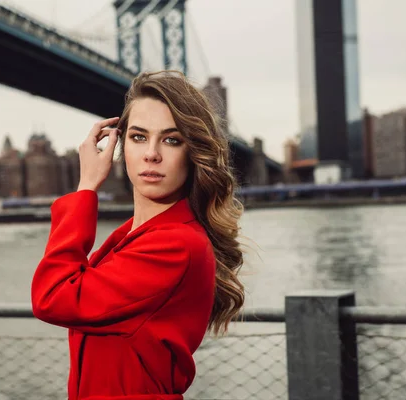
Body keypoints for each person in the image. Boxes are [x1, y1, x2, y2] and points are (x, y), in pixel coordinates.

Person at [31, 70, 245, 400]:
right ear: (121, 146)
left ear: (192, 154)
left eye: (172, 140)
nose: (151, 154)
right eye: (139, 137)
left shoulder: (175, 245)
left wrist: (87, 186)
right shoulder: (130, 237)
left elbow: (53, 297)